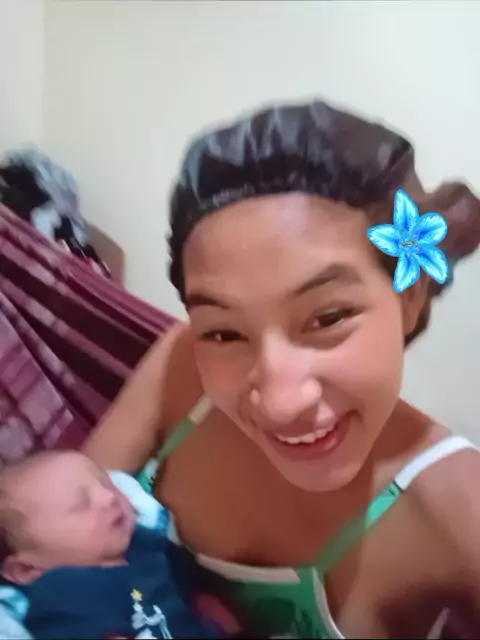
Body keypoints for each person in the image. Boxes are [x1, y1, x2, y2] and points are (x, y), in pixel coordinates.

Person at [84, 100, 480, 639]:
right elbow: (46, 520)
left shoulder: (455, 516)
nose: (280, 401)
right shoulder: (182, 360)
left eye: (328, 317)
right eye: (225, 332)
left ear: (409, 297)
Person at [0, 451, 239, 639]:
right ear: (26, 569)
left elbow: (200, 590)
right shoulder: (60, 593)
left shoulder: (144, 543)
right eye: (80, 503)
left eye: (107, 484)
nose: (109, 498)